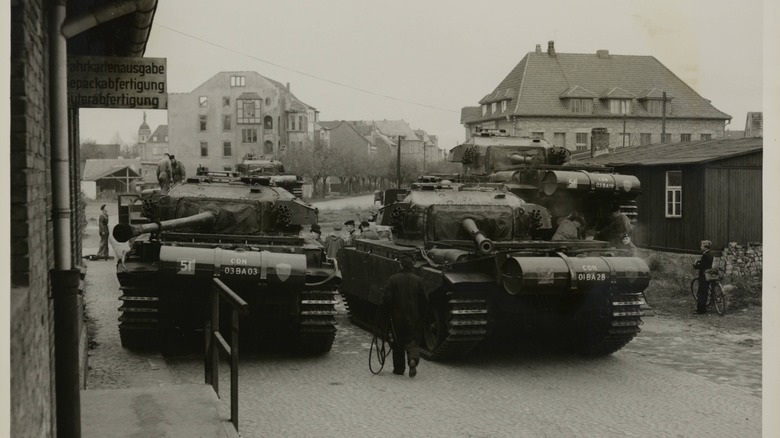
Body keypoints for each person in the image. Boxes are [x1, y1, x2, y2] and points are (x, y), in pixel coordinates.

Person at [383, 255, 426, 377]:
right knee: (412, 340)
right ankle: (412, 359)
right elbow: (424, 299)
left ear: (401, 266)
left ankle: (399, 369)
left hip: (396, 316)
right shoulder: (418, 280)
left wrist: (387, 311)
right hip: (413, 315)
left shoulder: (393, 279)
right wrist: (420, 313)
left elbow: (387, 298)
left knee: (397, 341)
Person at [693, 240, 714, 314]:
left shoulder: (705, 255)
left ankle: (700, 310)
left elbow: (701, 266)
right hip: (708, 275)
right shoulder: (710, 254)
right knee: (705, 292)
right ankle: (703, 308)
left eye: (701, 246)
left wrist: (695, 265)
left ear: (705, 247)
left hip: (703, 275)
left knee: (701, 292)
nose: (700, 247)